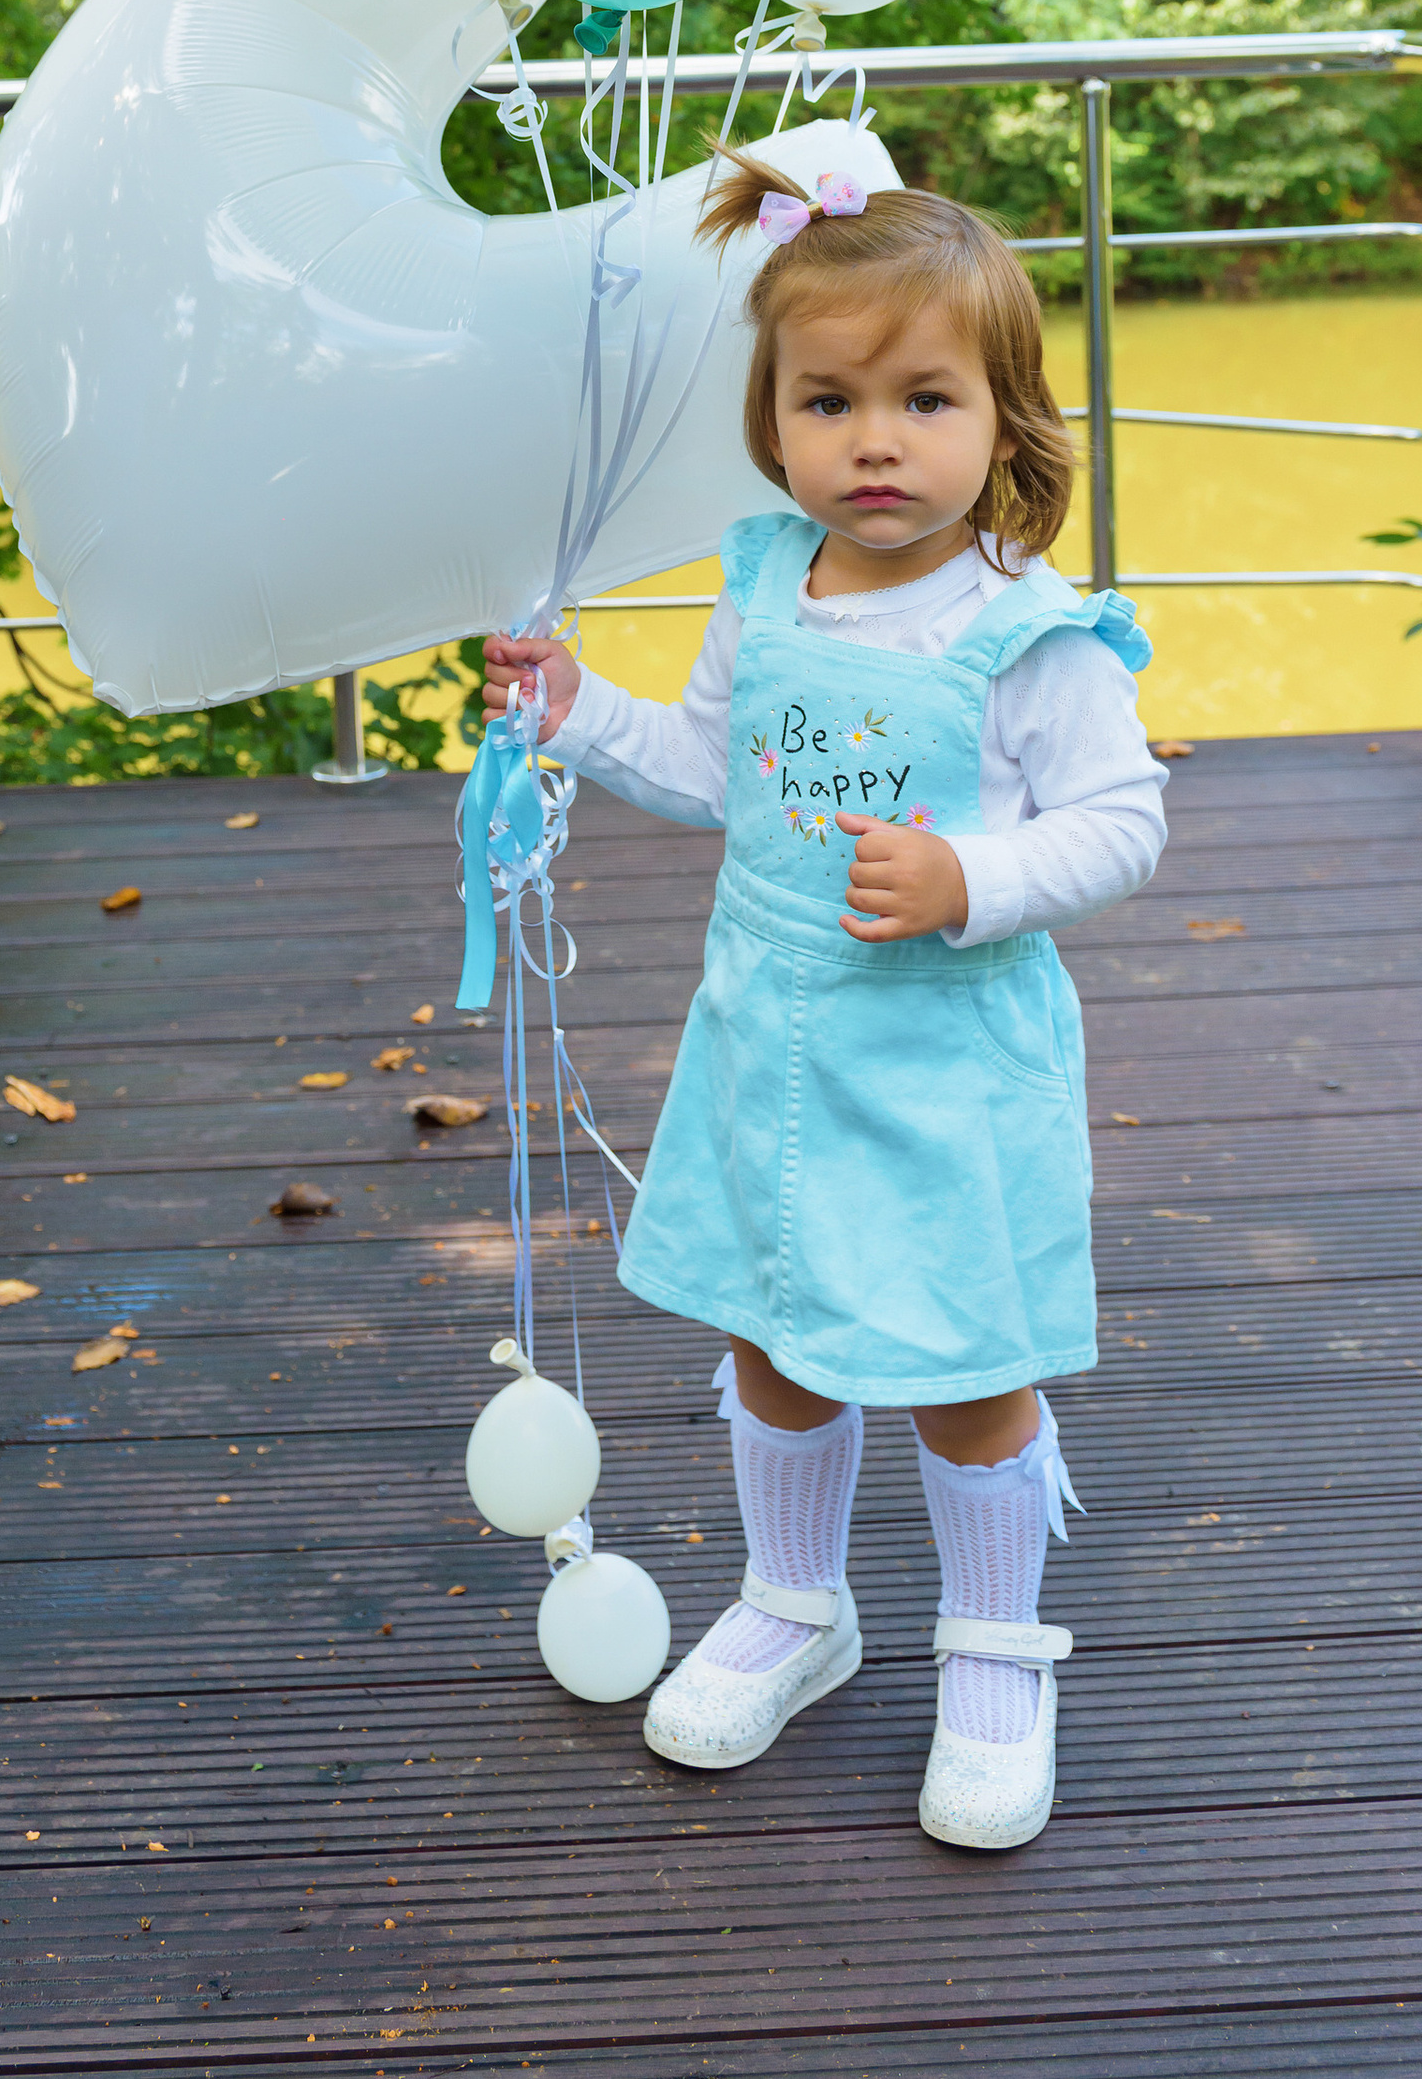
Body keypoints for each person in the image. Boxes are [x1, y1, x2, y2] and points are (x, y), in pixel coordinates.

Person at [485, 149, 1167, 1853]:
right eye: (829, 399)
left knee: (961, 1360)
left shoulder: (1030, 632)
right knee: (775, 1333)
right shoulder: (766, 584)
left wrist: (973, 881)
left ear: (1005, 423)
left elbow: (1123, 822)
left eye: (925, 399)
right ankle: (799, 1599)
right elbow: (716, 769)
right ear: (773, 421)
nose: (876, 441)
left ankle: (997, 1647)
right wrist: (579, 710)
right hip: (768, 1045)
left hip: (944, 1066)